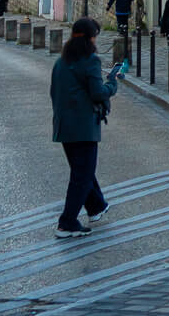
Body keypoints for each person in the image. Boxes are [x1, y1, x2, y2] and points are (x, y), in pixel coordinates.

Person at [49, 16, 119, 239]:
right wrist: (112, 84)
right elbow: (98, 92)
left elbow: (54, 92)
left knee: (82, 169)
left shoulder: (61, 61)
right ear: (91, 38)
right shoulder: (90, 60)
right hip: (83, 126)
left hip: (64, 125)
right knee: (82, 173)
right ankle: (67, 222)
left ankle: (96, 206)